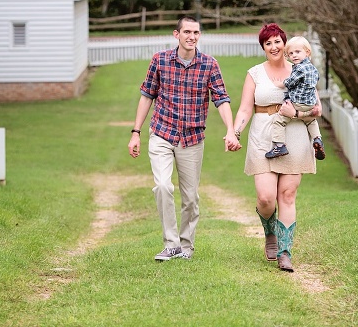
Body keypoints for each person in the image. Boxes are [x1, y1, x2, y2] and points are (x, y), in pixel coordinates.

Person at [128, 16, 241, 262]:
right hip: (162, 133)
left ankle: (186, 245)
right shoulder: (160, 60)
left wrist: (231, 130)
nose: (192, 36)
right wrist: (135, 132)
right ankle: (171, 244)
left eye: (196, 32)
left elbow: (221, 99)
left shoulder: (209, 64)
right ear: (176, 34)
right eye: (187, 32)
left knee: (190, 198)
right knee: (163, 186)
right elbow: (147, 95)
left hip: (192, 138)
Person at [232, 23, 321, 272]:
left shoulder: (302, 68)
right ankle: (269, 231)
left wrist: (296, 113)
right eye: (268, 43)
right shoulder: (255, 73)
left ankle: (284, 252)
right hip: (262, 136)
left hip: (294, 136)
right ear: (263, 47)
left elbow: (316, 109)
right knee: (266, 197)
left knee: (288, 195)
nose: (274, 46)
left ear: (285, 44)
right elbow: (245, 108)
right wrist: (235, 132)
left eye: (277, 41)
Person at [265, 36, 326, 161]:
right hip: (310, 103)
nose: (294, 56)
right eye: (291, 53)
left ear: (307, 52)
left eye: (297, 52)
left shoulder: (299, 68)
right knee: (311, 121)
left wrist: (279, 84)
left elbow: (290, 82)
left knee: (279, 120)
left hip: (297, 103)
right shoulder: (313, 69)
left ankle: (279, 146)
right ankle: (317, 139)